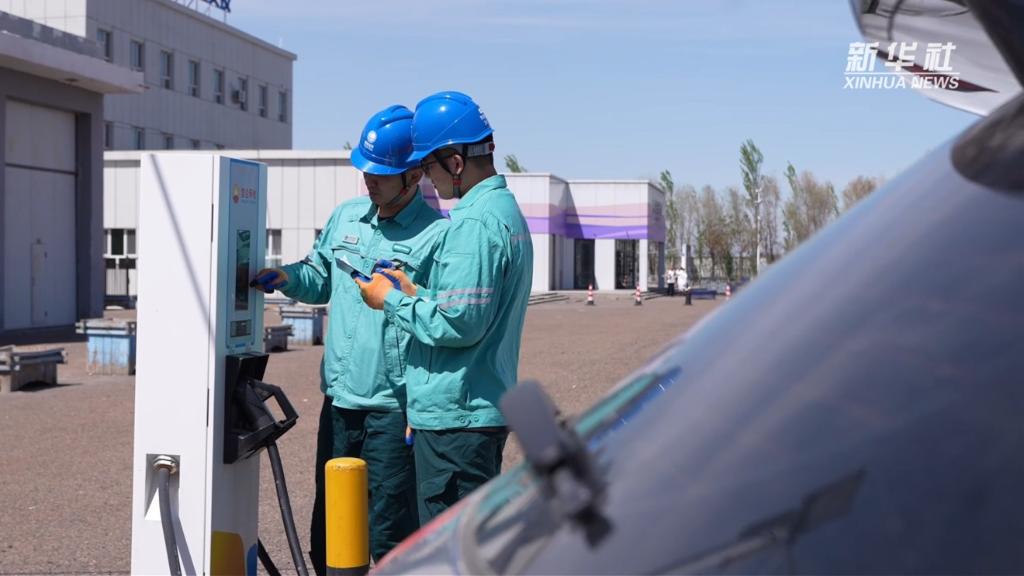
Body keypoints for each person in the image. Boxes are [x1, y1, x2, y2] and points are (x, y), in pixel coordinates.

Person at [251, 105, 447, 570]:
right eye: (366, 170)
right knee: (331, 522)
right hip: (339, 402)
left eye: (381, 174)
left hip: (393, 410)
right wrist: (287, 277)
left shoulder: (437, 236)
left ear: (414, 175)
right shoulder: (347, 218)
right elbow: (319, 276)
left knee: (388, 528)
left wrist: (421, 405)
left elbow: (436, 324)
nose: (369, 180)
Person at [355, 91, 533, 522]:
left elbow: (459, 324)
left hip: (457, 420)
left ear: (455, 162)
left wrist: (390, 300)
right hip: (472, 411)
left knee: (450, 546)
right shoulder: (503, 210)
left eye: (429, 167)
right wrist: (416, 292)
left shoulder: (473, 224)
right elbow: (469, 308)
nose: (427, 180)